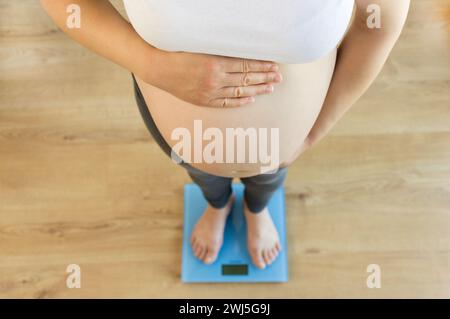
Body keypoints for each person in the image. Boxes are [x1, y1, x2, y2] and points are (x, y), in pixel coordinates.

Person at [41, 0, 410, 269]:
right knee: (203, 176)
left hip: (282, 148)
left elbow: (378, 23)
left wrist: (313, 132)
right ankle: (217, 205)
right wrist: (150, 65)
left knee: (268, 177)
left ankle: (257, 209)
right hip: (185, 145)